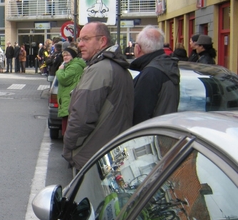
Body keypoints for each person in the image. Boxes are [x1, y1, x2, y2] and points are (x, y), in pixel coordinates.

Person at [63, 22, 134, 171]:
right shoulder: (119, 68)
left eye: (86, 39)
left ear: (102, 41)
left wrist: (69, 149)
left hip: (93, 156)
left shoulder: (99, 70)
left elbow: (82, 118)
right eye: (79, 40)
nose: (80, 45)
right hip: (111, 153)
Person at [130, 26, 180, 125]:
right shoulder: (166, 66)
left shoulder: (151, 73)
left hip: (152, 134)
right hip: (164, 130)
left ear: (138, 48)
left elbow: (140, 115)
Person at [56, 46, 86, 136]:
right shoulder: (70, 65)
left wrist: (59, 70)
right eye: (64, 56)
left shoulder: (74, 67)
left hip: (69, 101)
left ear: (73, 56)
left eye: (67, 55)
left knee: (67, 131)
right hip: (68, 100)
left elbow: (64, 79)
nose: (65, 57)